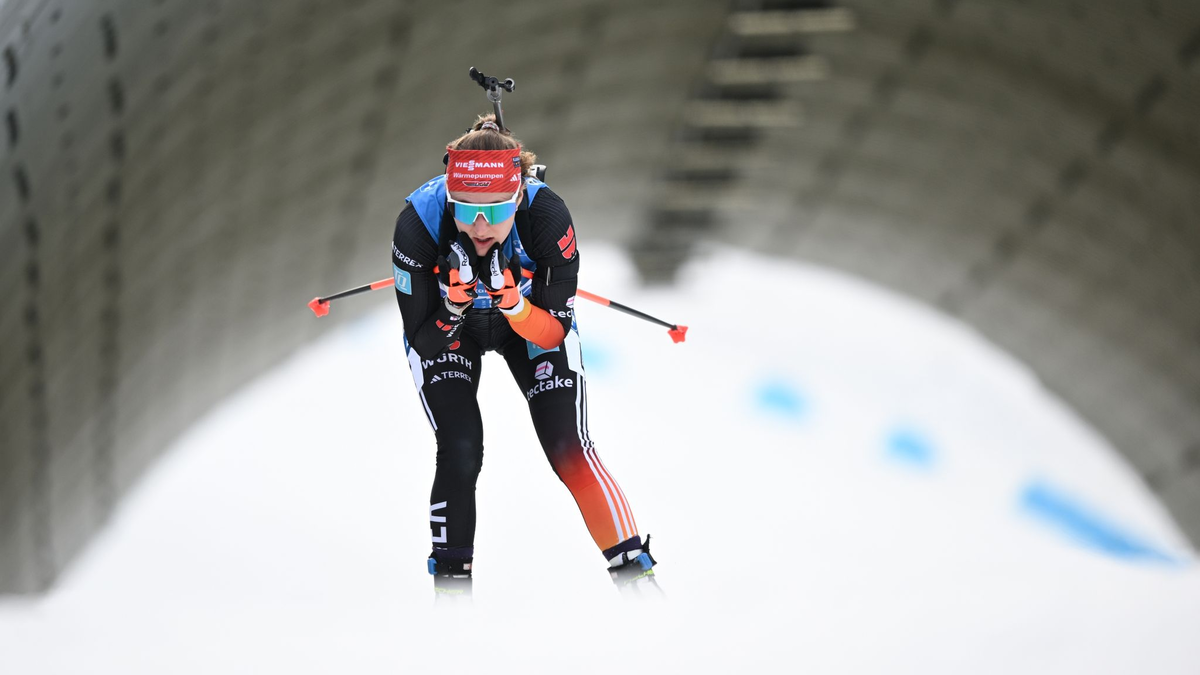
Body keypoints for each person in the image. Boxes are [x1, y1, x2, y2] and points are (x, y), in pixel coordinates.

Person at [391, 114, 659, 599]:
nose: (479, 226)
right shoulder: (418, 222)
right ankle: (451, 600)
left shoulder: (547, 216)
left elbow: (553, 331)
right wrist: (453, 307)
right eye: (465, 208)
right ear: (448, 197)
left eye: (494, 210)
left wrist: (514, 305)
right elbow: (425, 342)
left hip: (528, 321)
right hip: (451, 332)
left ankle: (637, 580)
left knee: (568, 446)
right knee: (460, 447)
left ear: (517, 197)